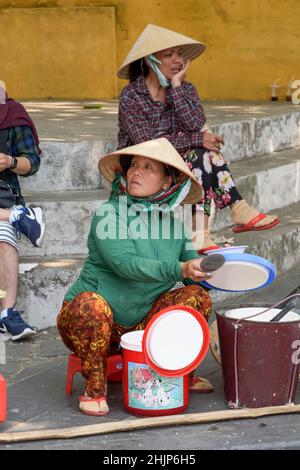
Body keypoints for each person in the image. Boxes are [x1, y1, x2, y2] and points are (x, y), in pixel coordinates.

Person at [57, 138, 213, 417]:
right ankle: (94, 390)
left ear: (167, 182)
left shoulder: (174, 227)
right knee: (91, 306)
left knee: (196, 299)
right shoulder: (110, 213)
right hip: (92, 320)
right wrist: (179, 269)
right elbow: (126, 265)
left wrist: (216, 267)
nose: (136, 172)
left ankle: (182, 371)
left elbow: (193, 275)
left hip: (142, 324)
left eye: (148, 167)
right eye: (134, 166)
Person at [117, 24, 280, 252]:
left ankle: (205, 230)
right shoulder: (131, 96)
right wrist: (197, 139)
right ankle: (233, 209)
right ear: (149, 60)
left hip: (180, 162)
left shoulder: (187, 89)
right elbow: (148, 144)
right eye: (168, 55)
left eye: (179, 54)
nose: (177, 60)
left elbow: (195, 124)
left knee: (204, 152)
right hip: (144, 164)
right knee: (201, 148)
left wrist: (176, 86)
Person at [0, 81, 45, 341]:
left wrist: (11, 161)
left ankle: (7, 314)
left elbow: (33, 161)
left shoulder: (12, 114)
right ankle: (19, 217)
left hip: (3, 194)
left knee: (4, 239)